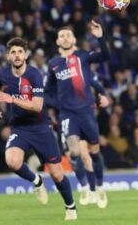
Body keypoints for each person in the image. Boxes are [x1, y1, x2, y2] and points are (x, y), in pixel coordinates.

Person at [0, 37, 76, 220]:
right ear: (8, 56)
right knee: (12, 161)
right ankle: (37, 181)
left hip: (40, 127)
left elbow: (37, 106)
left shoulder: (34, 75)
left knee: (56, 172)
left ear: (26, 55)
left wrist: (12, 100)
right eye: (13, 52)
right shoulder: (3, 73)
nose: (17, 55)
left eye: (20, 52)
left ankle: (70, 207)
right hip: (20, 128)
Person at [45, 20, 110, 208]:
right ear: (57, 42)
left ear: (74, 39)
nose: (65, 38)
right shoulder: (53, 64)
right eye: (61, 36)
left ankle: (99, 187)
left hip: (87, 112)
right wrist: (59, 105)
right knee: (73, 151)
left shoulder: (83, 56)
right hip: (68, 115)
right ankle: (83, 187)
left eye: (68, 35)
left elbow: (105, 55)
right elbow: (47, 91)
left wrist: (100, 37)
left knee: (94, 153)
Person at [47, 70, 109, 205]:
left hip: (81, 119)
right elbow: (46, 95)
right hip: (66, 122)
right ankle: (86, 187)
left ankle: (93, 190)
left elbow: (94, 86)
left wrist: (101, 97)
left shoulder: (82, 75)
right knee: (71, 155)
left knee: (86, 156)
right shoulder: (57, 80)